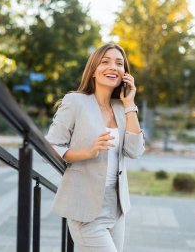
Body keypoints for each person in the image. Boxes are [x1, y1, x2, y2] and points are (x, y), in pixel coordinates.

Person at [45, 43, 145, 252]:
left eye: (119, 63)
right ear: (93, 69)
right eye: (105, 61)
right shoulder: (75, 101)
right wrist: (89, 151)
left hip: (116, 207)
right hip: (85, 207)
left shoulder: (122, 108)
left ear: (125, 74)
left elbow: (135, 151)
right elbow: (52, 146)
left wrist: (129, 104)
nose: (113, 67)